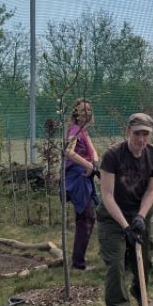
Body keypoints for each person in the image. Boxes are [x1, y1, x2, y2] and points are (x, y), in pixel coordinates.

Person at [98, 112, 153, 306]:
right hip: (112, 217)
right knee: (115, 266)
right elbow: (106, 195)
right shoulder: (112, 156)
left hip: (139, 215)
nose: (141, 139)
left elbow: (151, 191)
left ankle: (140, 294)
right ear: (128, 131)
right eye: (137, 133)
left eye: (146, 134)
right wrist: (125, 226)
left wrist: (140, 217)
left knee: (144, 262)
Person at [63, 98, 100, 271]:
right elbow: (68, 152)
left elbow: (92, 150)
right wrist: (88, 166)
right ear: (76, 114)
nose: (87, 112)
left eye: (89, 109)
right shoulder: (75, 131)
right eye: (83, 110)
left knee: (86, 218)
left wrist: (96, 164)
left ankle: (78, 260)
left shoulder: (83, 131)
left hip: (85, 178)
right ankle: (78, 264)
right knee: (87, 218)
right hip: (77, 180)